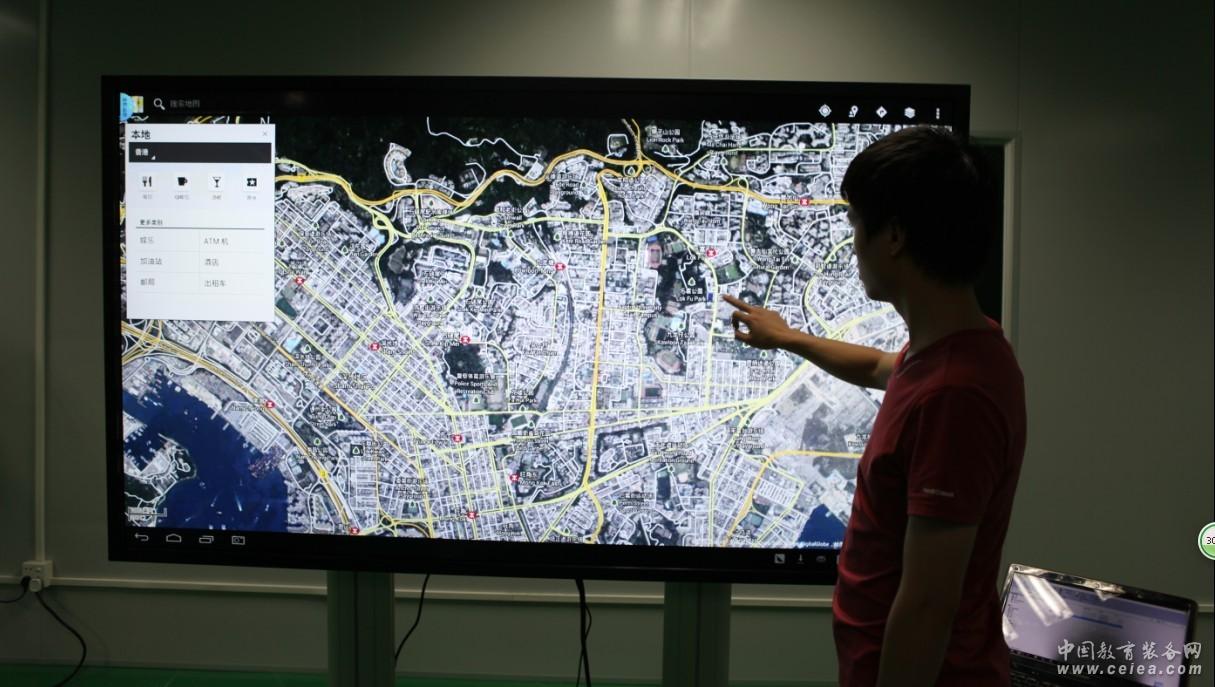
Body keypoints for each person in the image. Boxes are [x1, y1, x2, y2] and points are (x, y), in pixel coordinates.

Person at [723, 126, 1026, 687]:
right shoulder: (957, 348)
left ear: (894, 237)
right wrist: (787, 337)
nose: (853, 243)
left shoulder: (955, 396)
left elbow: (928, 606)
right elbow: (877, 367)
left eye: (856, 224)